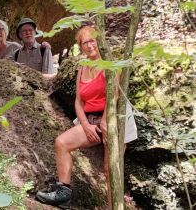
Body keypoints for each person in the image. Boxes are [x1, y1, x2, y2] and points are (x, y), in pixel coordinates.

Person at [35, 24, 137, 209]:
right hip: (92, 119)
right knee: (62, 143)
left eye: (93, 41)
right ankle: (63, 194)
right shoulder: (82, 67)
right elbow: (78, 101)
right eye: (85, 43)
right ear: (80, 46)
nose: (89, 46)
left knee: (110, 170)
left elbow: (113, 96)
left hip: (115, 117)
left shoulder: (110, 64)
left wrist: (106, 121)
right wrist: (86, 125)